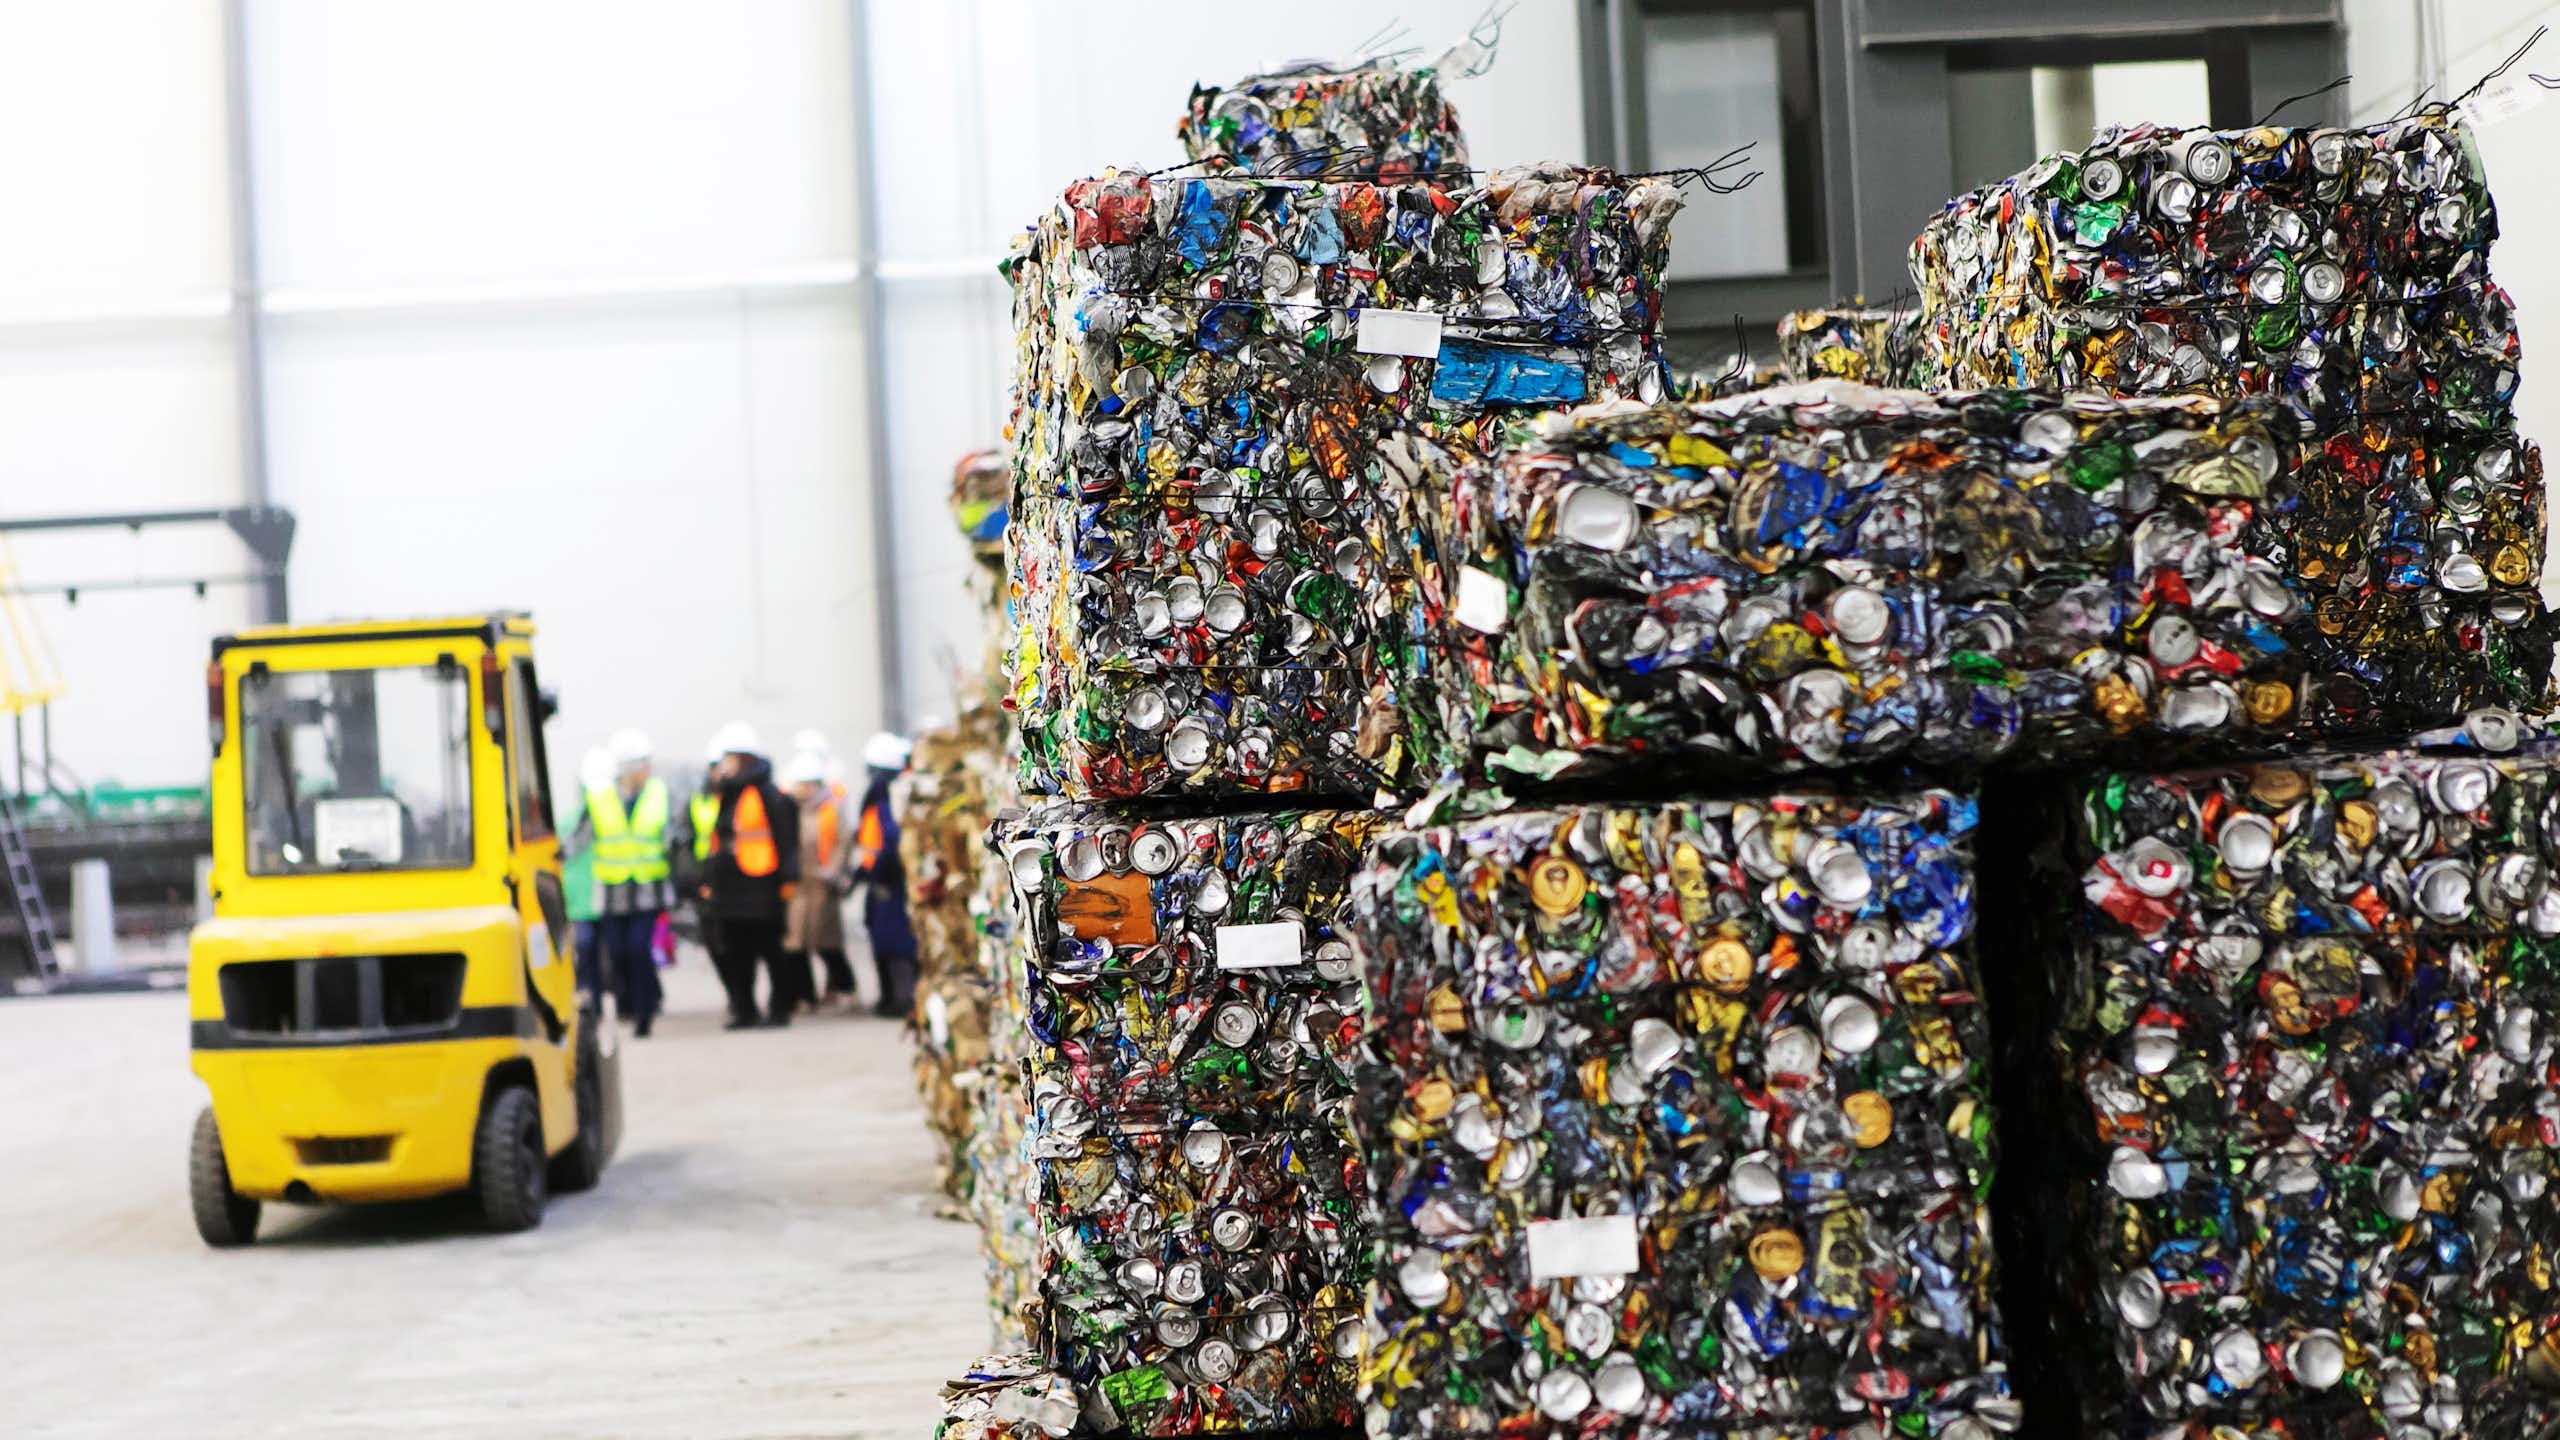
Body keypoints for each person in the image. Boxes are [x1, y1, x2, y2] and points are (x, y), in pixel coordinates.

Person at [572, 728, 673, 1038]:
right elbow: (579, 839)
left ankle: (644, 1013)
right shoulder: (600, 799)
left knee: (638, 951)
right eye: (642, 764)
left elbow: (670, 834)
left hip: (645, 892)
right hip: (613, 893)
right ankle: (629, 1004)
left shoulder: (657, 793)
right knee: (616, 953)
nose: (647, 770)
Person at [700, 722, 801, 1029]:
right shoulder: (726, 794)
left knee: (771, 950)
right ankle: (745, 1009)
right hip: (730, 886)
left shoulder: (768, 794)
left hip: (762, 884)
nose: (723, 765)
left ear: (744, 759)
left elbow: (785, 838)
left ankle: (779, 1008)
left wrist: (787, 880)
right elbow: (718, 841)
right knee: (736, 952)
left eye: (729, 758)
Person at [848, 731, 918, 1019]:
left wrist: (876, 871)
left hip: (889, 880)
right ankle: (892, 997)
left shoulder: (885, 799)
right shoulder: (887, 796)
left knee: (895, 941)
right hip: (883, 878)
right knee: (888, 939)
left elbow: (889, 840)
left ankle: (901, 999)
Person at [780, 749, 852, 1014]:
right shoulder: (789, 809)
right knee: (795, 941)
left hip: (822, 883)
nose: (804, 789)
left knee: (827, 940)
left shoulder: (830, 810)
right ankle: (804, 994)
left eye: (808, 784)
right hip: (798, 884)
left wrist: (833, 869)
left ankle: (843, 985)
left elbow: (842, 842)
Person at [562, 747, 612, 1004]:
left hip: (598, 897)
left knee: (590, 954)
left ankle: (593, 1001)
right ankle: (594, 1002)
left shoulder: (571, 822)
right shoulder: (571, 821)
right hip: (590, 899)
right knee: (593, 954)